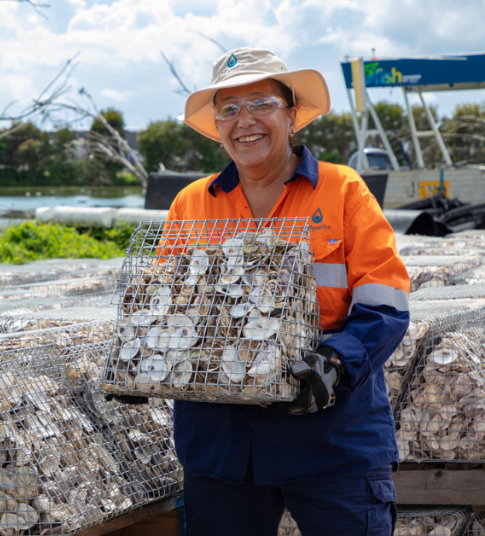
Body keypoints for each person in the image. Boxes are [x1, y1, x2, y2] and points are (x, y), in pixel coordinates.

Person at [169, 47, 410, 535]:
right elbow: (165, 310)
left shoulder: (343, 191)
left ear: (292, 115)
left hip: (331, 437)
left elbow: (385, 302)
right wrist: (142, 368)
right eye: (229, 110)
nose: (245, 121)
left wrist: (334, 362)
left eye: (261, 103)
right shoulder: (191, 204)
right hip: (222, 447)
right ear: (217, 127)